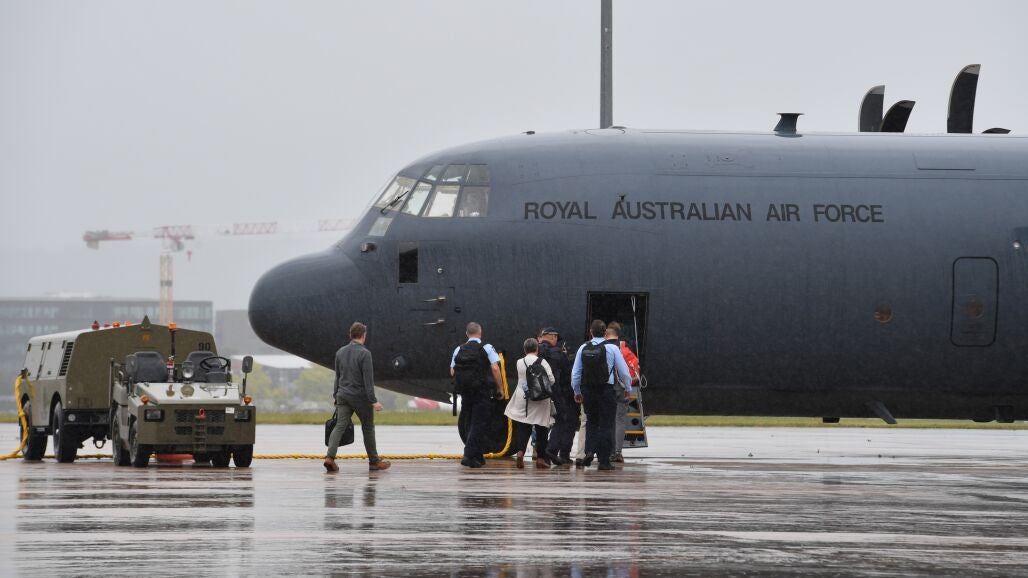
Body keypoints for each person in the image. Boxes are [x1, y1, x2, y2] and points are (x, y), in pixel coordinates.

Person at [325, 322, 391, 473]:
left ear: (350, 335)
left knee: (339, 426)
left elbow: (337, 376)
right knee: (368, 427)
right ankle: (374, 461)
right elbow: (368, 380)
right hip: (360, 397)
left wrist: (335, 395)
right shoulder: (365, 354)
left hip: (342, 395)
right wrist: (373, 401)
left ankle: (330, 458)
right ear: (363, 335)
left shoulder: (340, 352)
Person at [571, 319, 632, 471]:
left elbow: (576, 373)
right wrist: (627, 387)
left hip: (588, 390)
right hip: (606, 390)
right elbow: (624, 371)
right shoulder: (612, 348)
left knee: (591, 422)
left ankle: (589, 451)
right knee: (606, 424)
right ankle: (604, 461)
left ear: (590, 332)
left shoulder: (583, 347)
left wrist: (577, 391)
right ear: (605, 333)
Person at [451, 322, 504, 468]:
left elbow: (452, 371)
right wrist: (500, 388)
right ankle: (469, 455)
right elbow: (495, 368)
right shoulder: (487, 348)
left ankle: (477, 456)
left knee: (469, 422)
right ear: (480, 333)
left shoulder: (459, 349)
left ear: (466, 334)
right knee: (479, 423)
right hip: (481, 391)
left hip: (465, 392)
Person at [504, 338, 557, 468]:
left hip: (523, 397)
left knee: (523, 426)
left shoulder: (519, 362)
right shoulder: (542, 362)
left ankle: (520, 452)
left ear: (524, 349)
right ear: (537, 349)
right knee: (541, 428)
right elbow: (551, 379)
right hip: (540, 398)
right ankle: (540, 458)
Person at [539, 327, 576, 464]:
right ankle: (551, 449)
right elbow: (567, 376)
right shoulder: (559, 353)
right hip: (556, 392)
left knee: (540, 424)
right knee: (561, 420)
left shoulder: (536, 351)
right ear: (553, 337)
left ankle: (540, 454)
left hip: (537, 392)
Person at [606, 322, 640, 463]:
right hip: (621, 389)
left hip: (607, 389)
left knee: (606, 420)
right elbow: (626, 373)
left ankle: (606, 451)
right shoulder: (625, 350)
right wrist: (628, 388)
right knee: (619, 420)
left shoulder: (603, 348)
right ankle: (618, 452)